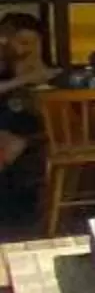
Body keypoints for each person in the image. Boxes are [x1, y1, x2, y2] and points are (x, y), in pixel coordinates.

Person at [0, 12, 48, 173]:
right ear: (4, 39)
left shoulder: (31, 64)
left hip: (27, 128)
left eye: (34, 43)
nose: (29, 49)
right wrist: (24, 79)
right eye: (23, 42)